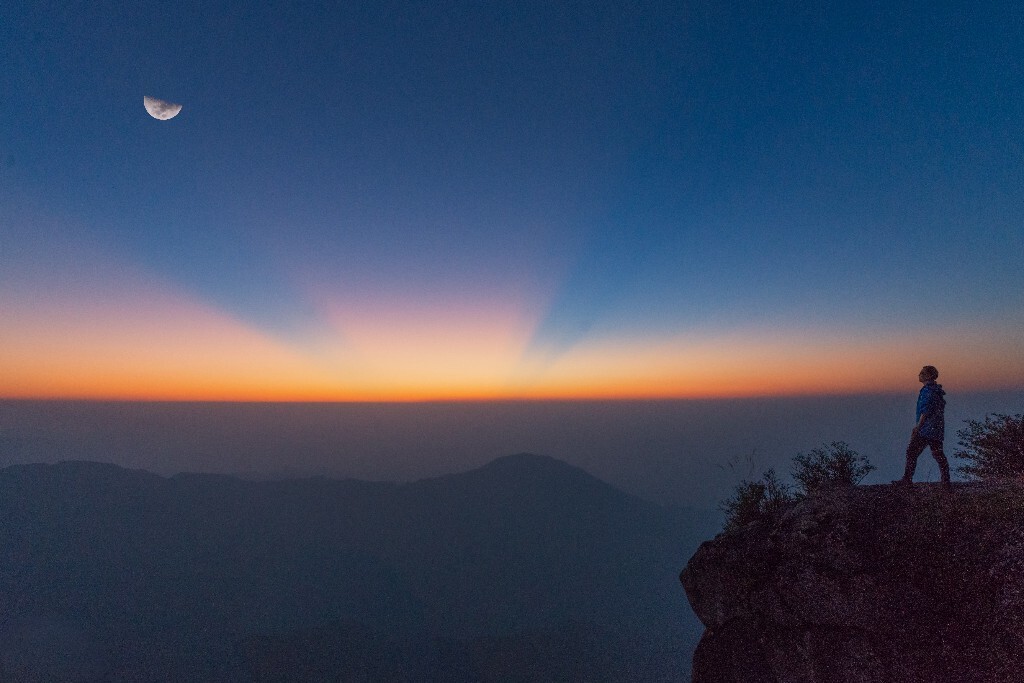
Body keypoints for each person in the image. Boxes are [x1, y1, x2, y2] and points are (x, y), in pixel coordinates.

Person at [894, 365, 950, 489]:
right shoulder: (936, 390)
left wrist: (918, 427)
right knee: (938, 454)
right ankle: (946, 482)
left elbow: (925, 411)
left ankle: (907, 480)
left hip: (926, 428)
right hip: (936, 428)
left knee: (912, 452)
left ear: (927, 376)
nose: (919, 375)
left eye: (921, 373)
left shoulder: (928, 391)